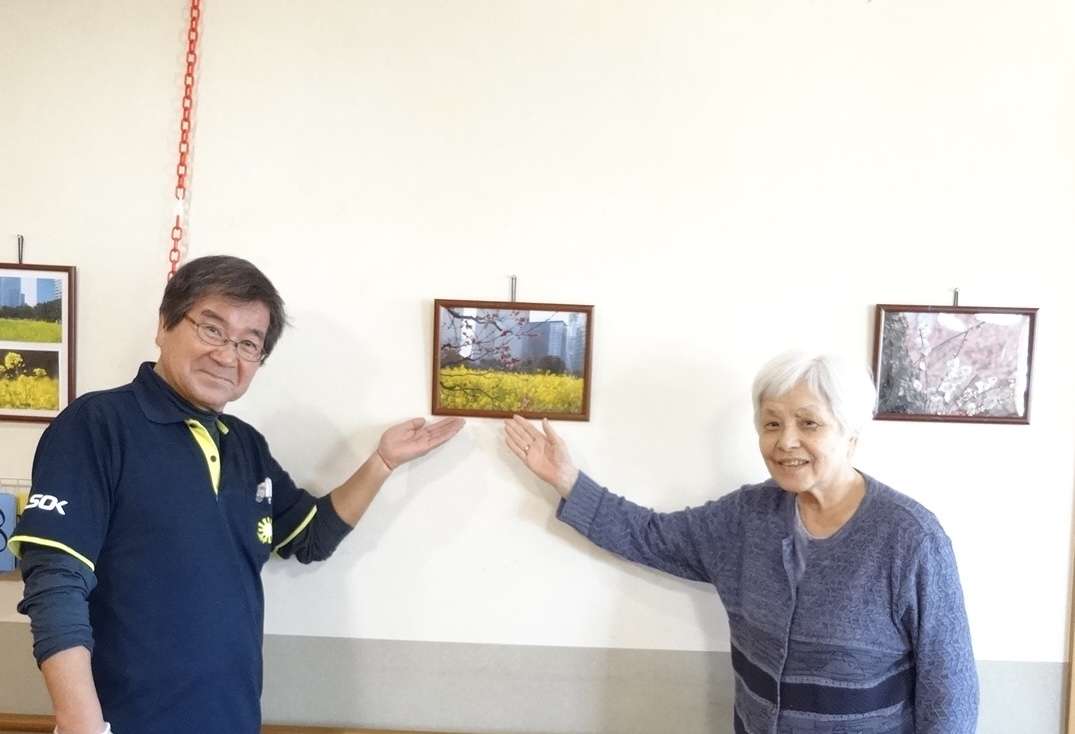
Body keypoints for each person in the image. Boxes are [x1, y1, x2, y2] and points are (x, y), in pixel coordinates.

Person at [10, 255, 464, 734]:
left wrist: (382, 462)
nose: (228, 357)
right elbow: (55, 579)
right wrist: (82, 726)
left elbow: (309, 537)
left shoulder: (245, 447)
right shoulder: (97, 425)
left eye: (249, 344)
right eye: (212, 329)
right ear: (164, 325)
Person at [504, 351, 978, 734]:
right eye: (772, 424)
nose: (785, 442)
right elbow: (650, 536)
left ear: (851, 433)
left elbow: (949, 688)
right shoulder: (746, 517)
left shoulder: (910, 538)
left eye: (808, 423)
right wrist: (568, 480)